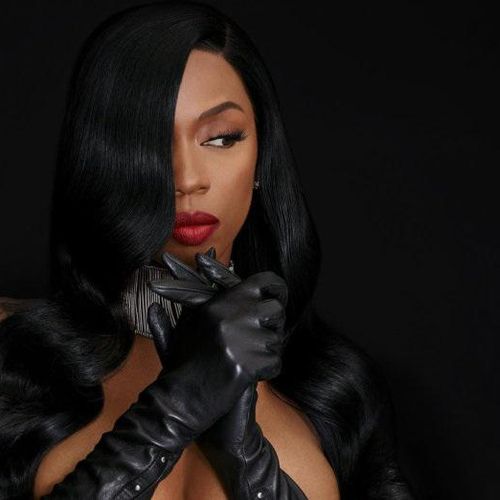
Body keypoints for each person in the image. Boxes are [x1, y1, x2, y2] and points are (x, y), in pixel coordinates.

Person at [0, 1, 415, 498]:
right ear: (101, 162)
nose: (187, 179)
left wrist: (241, 452)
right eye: (149, 143)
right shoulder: (14, 360)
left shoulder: (337, 391)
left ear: (261, 156)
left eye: (220, 138)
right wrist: (178, 405)